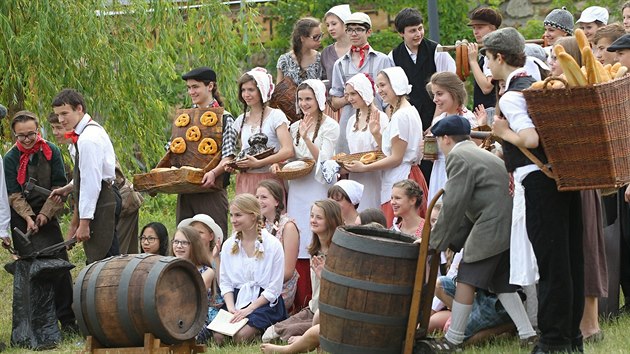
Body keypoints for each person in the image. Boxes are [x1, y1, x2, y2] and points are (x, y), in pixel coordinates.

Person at [487, 27, 584, 353]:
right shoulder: (536, 82)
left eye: (488, 58)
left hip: (540, 183)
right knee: (569, 262)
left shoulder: (514, 95)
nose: (487, 66)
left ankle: (553, 341)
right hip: (562, 177)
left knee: (552, 264)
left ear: (500, 57)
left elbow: (530, 139)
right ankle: (572, 338)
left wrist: (503, 132)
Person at [418, 114, 537, 352]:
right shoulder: (476, 152)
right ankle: (528, 333)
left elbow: (453, 204)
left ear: (445, 138)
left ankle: (453, 339)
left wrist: (433, 241)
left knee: (466, 277)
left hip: (492, 224)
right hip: (505, 223)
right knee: (502, 282)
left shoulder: (459, 157)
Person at [3, 111, 76, 332]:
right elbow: (13, 194)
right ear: (15, 135)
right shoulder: (10, 158)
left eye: (31, 134)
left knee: (59, 267)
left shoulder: (50, 151)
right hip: (21, 215)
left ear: (38, 131)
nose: (26, 140)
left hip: (48, 211)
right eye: (21, 136)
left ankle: (68, 320)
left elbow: (59, 187)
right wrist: (28, 217)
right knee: (29, 270)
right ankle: (36, 323)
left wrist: (45, 214)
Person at [345, 67, 427, 227]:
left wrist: (363, 168)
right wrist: (377, 135)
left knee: (400, 229)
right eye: (378, 86)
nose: (379, 90)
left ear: (396, 84)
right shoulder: (406, 110)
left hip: (402, 178)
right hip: (405, 175)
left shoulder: (401, 116)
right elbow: (392, 151)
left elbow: (396, 158)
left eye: (383, 85)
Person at [50, 89, 120, 264]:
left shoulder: (88, 138)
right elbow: (85, 174)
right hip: (102, 196)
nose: (60, 120)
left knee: (104, 259)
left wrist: (84, 223)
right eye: (57, 115)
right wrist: (68, 188)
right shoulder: (83, 134)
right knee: (104, 257)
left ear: (79, 108)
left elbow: (91, 183)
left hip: (104, 199)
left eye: (64, 113)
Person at [389, 7, 456, 186]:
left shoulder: (437, 51)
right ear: (401, 33)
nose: (418, 34)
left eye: (420, 28)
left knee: (434, 165)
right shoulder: (393, 56)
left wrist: (435, 123)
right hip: (409, 119)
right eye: (412, 31)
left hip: (436, 115)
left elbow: (449, 88)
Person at [261, 200, 342, 344]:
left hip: (328, 313)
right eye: (312, 216)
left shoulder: (338, 253)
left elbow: (341, 294)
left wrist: (325, 278)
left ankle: (307, 336)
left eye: (319, 217)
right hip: (312, 308)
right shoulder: (315, 251)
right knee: (270, 332)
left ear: (331, 220)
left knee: (283, 334)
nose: (313, 220)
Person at [216, 194, 286, 344]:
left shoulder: (273, 245)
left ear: (253, 216)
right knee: (219, 337)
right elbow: (226, 282)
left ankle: (264, 330)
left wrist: (248, 310)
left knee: (240, 337)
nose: (233, 220)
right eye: (231, 215)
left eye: (238, 215)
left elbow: (274, 288)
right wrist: (231, 309)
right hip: (237, 298)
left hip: (263, 301)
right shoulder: (229, 245)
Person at [178, 67, 235, 238]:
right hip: (186, 190)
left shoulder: (224, 117)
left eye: (195, 87)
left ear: (210, 86)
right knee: (185, 243)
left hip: (212, 191)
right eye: (188, 88)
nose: (191, 92)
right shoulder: (184, 118)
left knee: (214, 243)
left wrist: (213, 173)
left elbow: (229, 157)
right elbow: (174, 150)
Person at [328, 11, 394, 154]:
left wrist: (389, 123)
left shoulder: (383, 60)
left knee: (380, 160)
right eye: (350, 30)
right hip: (350, 125)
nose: (354, 33)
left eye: (358, 29)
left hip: (377, 121)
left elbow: (390, 99)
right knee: (350, 164)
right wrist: (353, 95)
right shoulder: (339, 64)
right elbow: (334, 101)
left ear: (368, 31)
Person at [232, 68, 294, 196]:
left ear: (262, 90)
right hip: (246, 179)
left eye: (251, 90)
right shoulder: (241, 120)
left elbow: (288, 150)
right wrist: (234, 164)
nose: (246, 94)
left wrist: (260, 163)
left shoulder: (276, 116)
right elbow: (241, 150)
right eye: (243, 90)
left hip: (269, 180)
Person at [425, 71, 477, 203]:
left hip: (457, 173)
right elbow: (436, 157)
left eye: (440, 94)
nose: (435, 99)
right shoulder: (439, 120)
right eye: (434, 94)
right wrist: (429, 151)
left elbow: (474, 153)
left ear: (453, 93)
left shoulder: (467, 119)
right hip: (439, 172)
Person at [343, 73, 389, 211]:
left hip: (374, 178)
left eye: (353, 94)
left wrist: (376, 134)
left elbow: (387, 152)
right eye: (347, 95)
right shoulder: (351, 121)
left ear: (365, 92)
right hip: (355, 177)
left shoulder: (381, 118)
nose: (350, 99)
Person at [256, 180, 300, 311]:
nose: (259, 201)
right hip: (259, 283)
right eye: (257, 197)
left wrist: (264, 286)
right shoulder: (257, 225)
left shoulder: (288, 226)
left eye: (264, 197)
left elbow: (288, 271)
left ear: (276, 202)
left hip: (280, 287)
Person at [169, 226, 217, 343]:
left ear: (194, 245)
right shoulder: (167, 269)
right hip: (171, 317)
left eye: (184, 243)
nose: (179, 246)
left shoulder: (207, 272)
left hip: (196, 320)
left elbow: (190, 293)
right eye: (176, 242)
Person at [466, 7, 502, 110]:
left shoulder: (495, 52)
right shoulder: (486, 52)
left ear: (493, 28)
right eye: (474, 28)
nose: (476, 32)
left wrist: (472, 61)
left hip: (491, 112)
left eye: (480, 27)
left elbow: (487, 87)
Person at [277, 18, 324, 85]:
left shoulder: (321, 58)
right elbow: (278, 91)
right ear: (302, 38)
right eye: (315, 37)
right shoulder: (284, 60)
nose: (320, 40)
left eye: (321, 35)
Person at [321, 4, 352, 84]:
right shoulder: (326, 53)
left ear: (345, 24)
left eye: (334, 24)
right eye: (328, 25)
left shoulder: (359, 49)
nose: (330, 28)